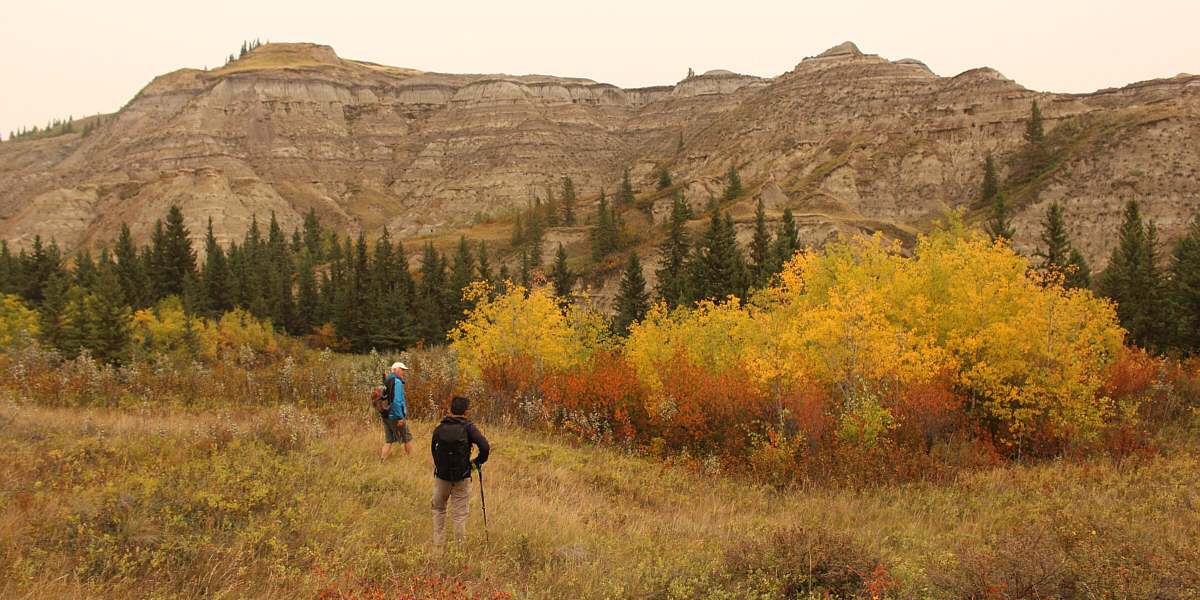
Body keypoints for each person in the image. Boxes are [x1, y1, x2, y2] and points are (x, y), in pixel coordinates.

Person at [430, 395, 490, 549]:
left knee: (438, 508)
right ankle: (460, 551)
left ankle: (438, 546)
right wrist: (475, 464)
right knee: (459, 515)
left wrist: (440, 465)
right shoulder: (468, 427)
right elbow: (485, 447)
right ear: (466, 412)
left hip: (442, 475)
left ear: (451, 410)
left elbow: (433, 449)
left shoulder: (441, 427)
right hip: (462, 476)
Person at [380, 362, 412, 461]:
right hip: (395, 416)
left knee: (389, 440)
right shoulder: (397, 382)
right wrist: (400, 417)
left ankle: (382, 459)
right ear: (395, 370)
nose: (403, 372)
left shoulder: (387, 381)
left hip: (386, 415)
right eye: (402, 370)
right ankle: (410, 460)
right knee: (408, 438)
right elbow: (396, 401)